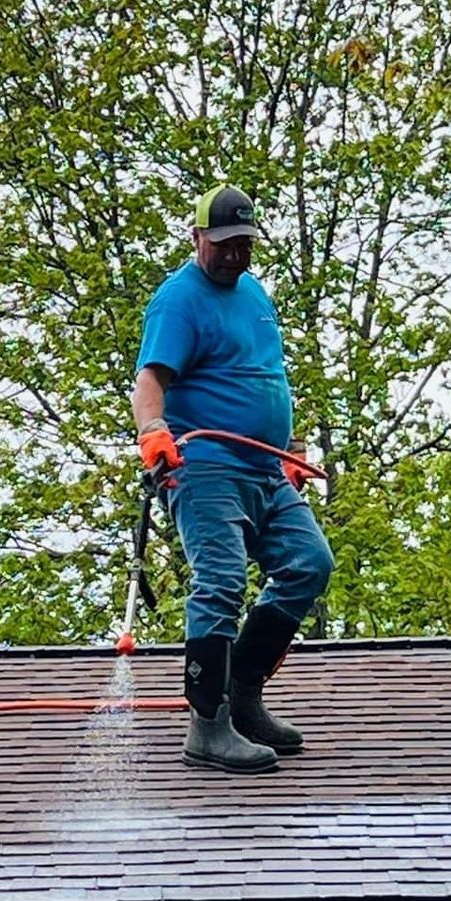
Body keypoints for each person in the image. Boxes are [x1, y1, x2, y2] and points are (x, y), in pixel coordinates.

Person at [131, 184, 335, 773]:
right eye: (221, 243)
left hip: (264, 469)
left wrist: (290, 449)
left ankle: (244, 693)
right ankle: (208, 725)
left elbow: (266, 374)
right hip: (209, 470)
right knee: (220, 580)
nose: (232, 254)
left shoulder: (254, 295)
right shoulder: (179, 300)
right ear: (197, 237)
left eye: (243, 243)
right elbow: (151, 381)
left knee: (308, 563)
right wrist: (154, 435)